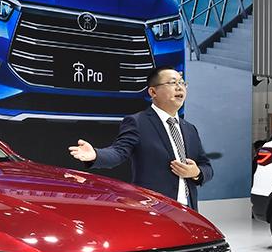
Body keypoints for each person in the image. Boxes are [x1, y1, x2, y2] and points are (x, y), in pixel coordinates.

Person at [68, 67, 212, 210]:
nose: (179, 87)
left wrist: (196, 173)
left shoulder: (190, 129)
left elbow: (206, 166)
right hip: (155, 209)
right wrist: (96, 155)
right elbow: (119, 152)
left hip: (189, 211)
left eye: (182, 83)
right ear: (153, 92)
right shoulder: (138, 122)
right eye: (173, 83)